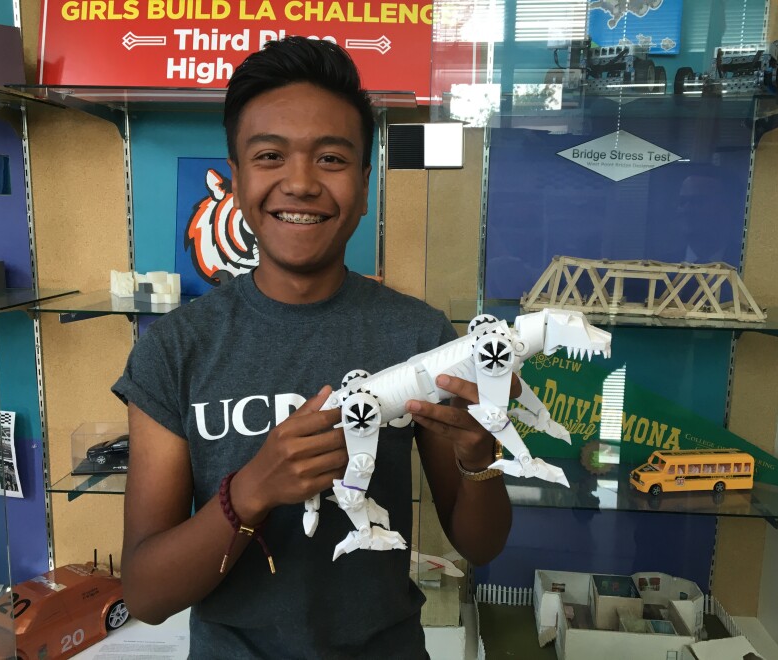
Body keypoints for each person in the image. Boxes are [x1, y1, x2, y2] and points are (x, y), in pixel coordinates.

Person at [112, 37, 513, 659]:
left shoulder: (418, 336)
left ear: (364, 182)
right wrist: (252, 490)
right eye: (270, 155)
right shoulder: (176, 349)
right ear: (237, 178)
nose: (299, 183)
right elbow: (146, 594)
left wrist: (480, 453)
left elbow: (480, 544)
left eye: (330, 158)